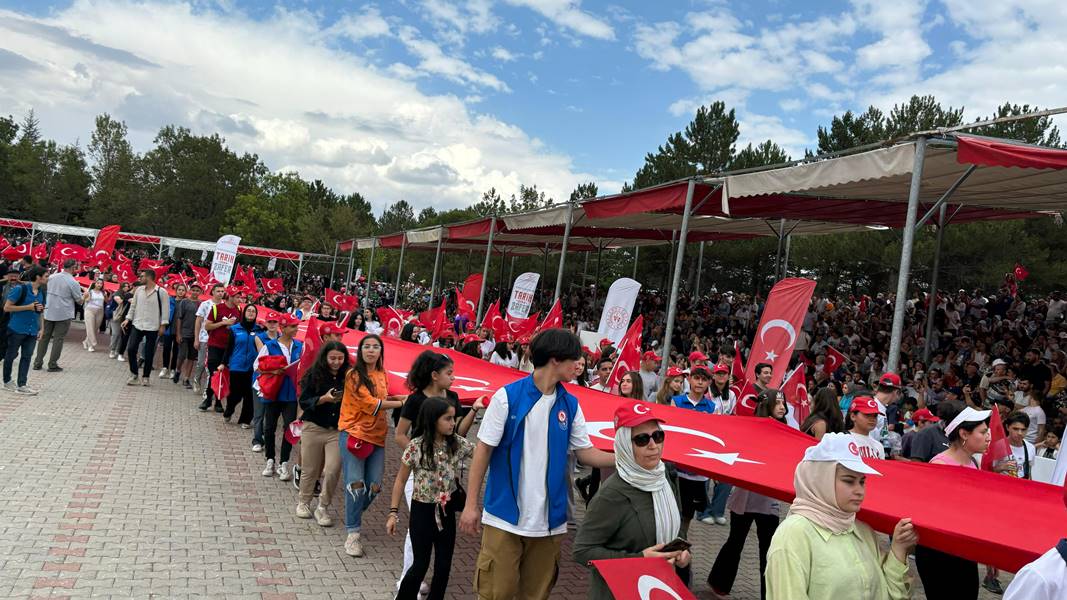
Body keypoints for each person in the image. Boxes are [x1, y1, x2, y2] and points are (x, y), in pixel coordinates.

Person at [459, 329, 613, 599]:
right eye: (575, 359)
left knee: (536, 595)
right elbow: (482, 451)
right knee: (497, 593)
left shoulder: (571, 404)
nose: (580, 365)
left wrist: (627, 458)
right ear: (555, 359)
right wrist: (471, 505)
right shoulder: (507, 397)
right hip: (504, 518)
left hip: (550, 523)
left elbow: (586, 453)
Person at [765, 432, 917, 600]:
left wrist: (898, 548)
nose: (859, 491)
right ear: (820, 480)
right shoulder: (793, 535)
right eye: (848, 481)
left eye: (862, 481)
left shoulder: (862, 530)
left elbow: (891, 594)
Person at [572, 400, 691, 600]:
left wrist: (682, 553)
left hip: (659, 587)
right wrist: (640, 559)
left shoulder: (664, 476)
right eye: (642, 439)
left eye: (658, 435)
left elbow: (676, 525)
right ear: (625, 445)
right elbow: (582, 551)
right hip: (618, 593)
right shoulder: (612, 494)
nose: (653, 445)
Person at [393, 350, 484, 591]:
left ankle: (419, 578)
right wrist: (423, 456)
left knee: (443, 553)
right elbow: (400, 435)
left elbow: (460, 435)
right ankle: (408, 579)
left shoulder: (453, 397)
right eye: (449, 373)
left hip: (446, 485)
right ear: (435, 375)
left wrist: (474, 410)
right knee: (419, 533)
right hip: (419, 476)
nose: (453, 378)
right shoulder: (415, 400)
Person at [387, 397, 474, 599]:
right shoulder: (416, 446)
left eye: (453, 418)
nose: (453, 423)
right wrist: (393, 513)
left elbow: (481, 453)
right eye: (448, 418)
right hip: (422, 513)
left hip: (446, 512)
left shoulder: (456, 444)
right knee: (420, 565)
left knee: (443, 567)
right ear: (433, 419)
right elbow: (400, 481)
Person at [708, 388, 785, 600]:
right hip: (744, 496)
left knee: (768, 549)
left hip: (769, 500)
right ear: (766, 405)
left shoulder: (786, 431)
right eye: (777, 403)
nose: (782, 407)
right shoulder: (751, 429)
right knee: (735, 542)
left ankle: (768, 594)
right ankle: (719, 582)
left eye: (783, 403)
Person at [337, 333, 407, 557]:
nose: (370, 350)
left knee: (375, 485)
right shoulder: (353, 375)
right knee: (355, 484)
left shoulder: (383, 374)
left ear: (380, 351)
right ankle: (353, 534)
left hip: (377, 436)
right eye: (366, 346)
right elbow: (370, 404)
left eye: (375, 347)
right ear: (360, 351)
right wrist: (400, 402)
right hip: (354, 433)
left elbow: (388, 396)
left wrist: (407, 397)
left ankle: (353, 513)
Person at [916, 405, 991, 599]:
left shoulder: (973, 463)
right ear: (964, 434)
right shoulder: (940, 465)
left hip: (963, 548)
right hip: (939, 552)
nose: (988, 437)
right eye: (983, 432)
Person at [296, 340, 348, 527]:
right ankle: (304, 501)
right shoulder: (313, 375)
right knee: (310, 469)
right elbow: (304, 401)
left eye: (340, 358)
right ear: (325, 357)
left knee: (333, 469)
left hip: (337, 430)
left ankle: (323, 507)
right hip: (313, 427)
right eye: (332, 358)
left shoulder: (349, 376)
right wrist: (323, 399)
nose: (336, 362)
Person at [255, 313, 304, 481]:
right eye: (293, 326)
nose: (296, 329)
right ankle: (270, 460)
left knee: (288, 429)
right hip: (273, 392)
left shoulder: (300, 346)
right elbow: (257, 367)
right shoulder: (270, 345)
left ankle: (284, 463)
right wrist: (273, 371)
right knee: (270, 427)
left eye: (296, 326)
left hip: (290, 395)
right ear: (283, 328)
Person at [671, 364, 716, 536]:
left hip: (698, 471)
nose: (699, 382)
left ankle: (681, 541)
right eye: (696, 378)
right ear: (689, 379)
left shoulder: (712, 408)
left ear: (708, 383)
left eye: (704, 379)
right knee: (673, 508)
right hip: (678, 467)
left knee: (688, 513)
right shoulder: (676, 402)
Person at [122, 269, 171, 386]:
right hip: (137, 324)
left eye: (142, 276)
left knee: (148, 353)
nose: (139, 278)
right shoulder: (138, 290)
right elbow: (133, 306)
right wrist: (127, 319)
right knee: (131, 349)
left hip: (153, 327)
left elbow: (165, 311)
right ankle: (134, 374)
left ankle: (146, 376)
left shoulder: (162, 292)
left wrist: (163, 326)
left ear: (149, 277)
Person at [34, 259, 83, 372]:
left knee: (44, 338)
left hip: (49, 310)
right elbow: (79, 301)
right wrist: (85, 296)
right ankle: (52, 364)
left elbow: (43, 288)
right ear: (72, 268)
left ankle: (37, 362)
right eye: (76, 266)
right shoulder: (73, 282)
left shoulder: (52, 277)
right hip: (63, 313)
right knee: (58, 339)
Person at [3, 266, 46, 395]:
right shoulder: (20, 289)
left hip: (32, 330)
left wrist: (42, 328)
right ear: (38, 277)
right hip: (16, 328)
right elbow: (7, 307)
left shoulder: (41, 292)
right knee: (11, 355)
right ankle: (7, 380)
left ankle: (22, 384)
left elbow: (41, 311)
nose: (47, 278)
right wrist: (28, 307)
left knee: (27, 357)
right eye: (46, 276)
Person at [221, 304, 262, 427]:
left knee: (249, 395)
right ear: (244, 313)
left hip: (252, 367)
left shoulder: (259, 330)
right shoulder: (235, 329)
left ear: (256, 314)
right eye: (248, 311)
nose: (250, 313)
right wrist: (223, 363)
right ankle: (229, 410)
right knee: (235, 393)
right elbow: (229, 348)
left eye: (253, 311)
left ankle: (245, 420)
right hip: (236, 366)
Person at [199, 288, 240, 411]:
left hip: (229, 348)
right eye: (237, 297)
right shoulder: (217, 308)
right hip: (215, 345)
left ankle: (217, 402)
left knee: (224, 374)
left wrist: (233, 327)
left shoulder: (238, 310)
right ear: (230, 297)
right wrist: (223, 323)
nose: (240, 300)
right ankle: (208, 400)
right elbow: (207, 325)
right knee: (214, 373)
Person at [192, 283, 224, 395]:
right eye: (218, 291)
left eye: (222, 291)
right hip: (204, 338)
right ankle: (196, 379)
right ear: (213, 292)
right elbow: (198, 322)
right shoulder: (205, 304)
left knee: (210, 366)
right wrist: (196, 339)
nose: (220, 293)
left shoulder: (224, 306)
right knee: (201, 363)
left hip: (217, 341)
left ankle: (208, 389)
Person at [172, 283, 201, 388]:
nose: (195, 292)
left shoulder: (201, 304)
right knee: (182, 355)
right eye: (193, 290)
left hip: (195, 334)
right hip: (184, 332)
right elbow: (179, 318)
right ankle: (178, 370)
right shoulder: (184, 302)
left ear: (200, 293)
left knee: (191, 357)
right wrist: (178, 333)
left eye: (197, 291)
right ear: (190, 291)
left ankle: (186, 378)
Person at [157, 284, 182, 380]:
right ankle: (165, 368)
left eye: (182, 290)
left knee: (176, 351)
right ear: (176, 291)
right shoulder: (169, 300)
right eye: (179, 289)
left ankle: (173, 369)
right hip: (168, 329)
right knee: (166, 349)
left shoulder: (185, 302)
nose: (180, 291)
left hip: (178, 330)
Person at [1003, 411, 1036, 480]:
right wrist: (1001, 467)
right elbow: (987, 471)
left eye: (1023, 429)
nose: (1020, 433)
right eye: (1015, 429)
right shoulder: (997, 446)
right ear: (1007, 427)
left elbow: (1028, 472)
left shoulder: (1030, 448)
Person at [106, 282, 131, 360]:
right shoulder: (117, 293)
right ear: (122, 286)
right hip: (116, 317)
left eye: (128, 286)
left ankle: (117, 350)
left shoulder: (126, 294)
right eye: (126, 286)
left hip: (122, 317)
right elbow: (119, 301)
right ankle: (112, 350)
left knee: (121, 335)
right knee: (115, 334)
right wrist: (128, 300)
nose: (127, 287)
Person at [81, 278, 107, 353]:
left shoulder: (103, 292)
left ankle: (85, 341)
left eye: (101, 283)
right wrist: (86, 296)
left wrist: (107, 295)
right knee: (90, 328)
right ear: (95, 284)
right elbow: (84, 300)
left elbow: (106, 301)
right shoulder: (90, 291)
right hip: (89, 310)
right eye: (98, 283)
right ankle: (91, 345)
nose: (99, 284)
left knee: (95, 329)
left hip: (100, 311)